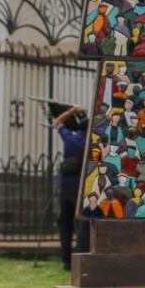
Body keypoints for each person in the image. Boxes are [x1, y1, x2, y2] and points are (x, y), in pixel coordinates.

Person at [53, 104, 89, 270]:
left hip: (64, 185)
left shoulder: (70, 138)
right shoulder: (89, 144)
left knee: (65, 223)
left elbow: (57, 122)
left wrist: (72, 111)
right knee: (81, 223)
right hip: (80, 187)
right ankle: (81, 257)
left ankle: (66, 260)